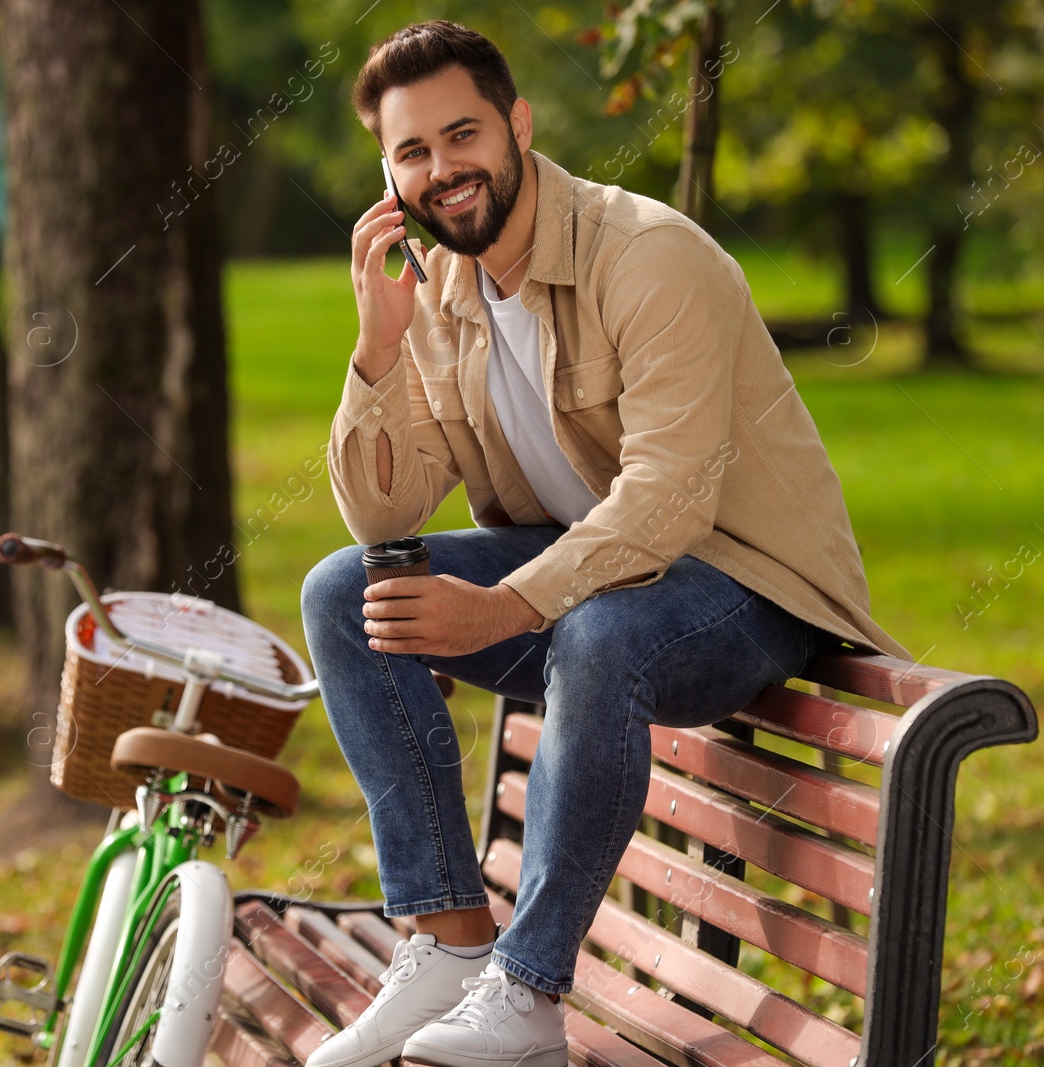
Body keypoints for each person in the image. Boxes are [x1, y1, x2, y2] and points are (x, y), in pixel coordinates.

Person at [299, 22, 907, 1067]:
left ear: (517, 125)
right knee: (342, 591)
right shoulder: (439, 291)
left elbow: (671, 498)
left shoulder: (646, 254)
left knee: (597, 635)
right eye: (411, 152)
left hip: (743, 583)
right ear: (387, 175)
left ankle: (530, 994)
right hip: (590, 588)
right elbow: (382, 519)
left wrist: (502, 607)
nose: (442, 170)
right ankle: (447, 940)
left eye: (462, 135)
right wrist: (378, 341)